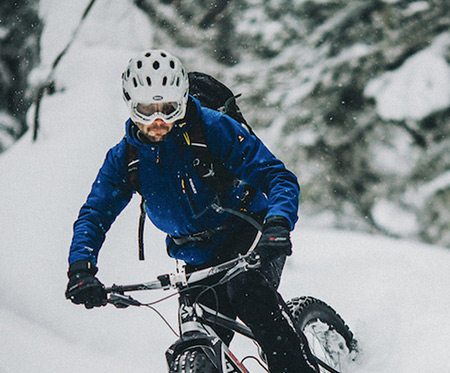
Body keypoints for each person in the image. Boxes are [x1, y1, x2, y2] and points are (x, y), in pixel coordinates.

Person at [65, 49, 319, 372]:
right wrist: (81, 268)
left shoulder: (213, 129)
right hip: (195, 259)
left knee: (249, 294)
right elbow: (95, 213)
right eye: (147, 110)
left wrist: (278, 223)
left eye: (168, 109)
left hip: (249, 235)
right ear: (131, 105)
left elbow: (277, 176)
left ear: (182, 101)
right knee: (198, 347)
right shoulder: (125, 157)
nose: (157, 122)